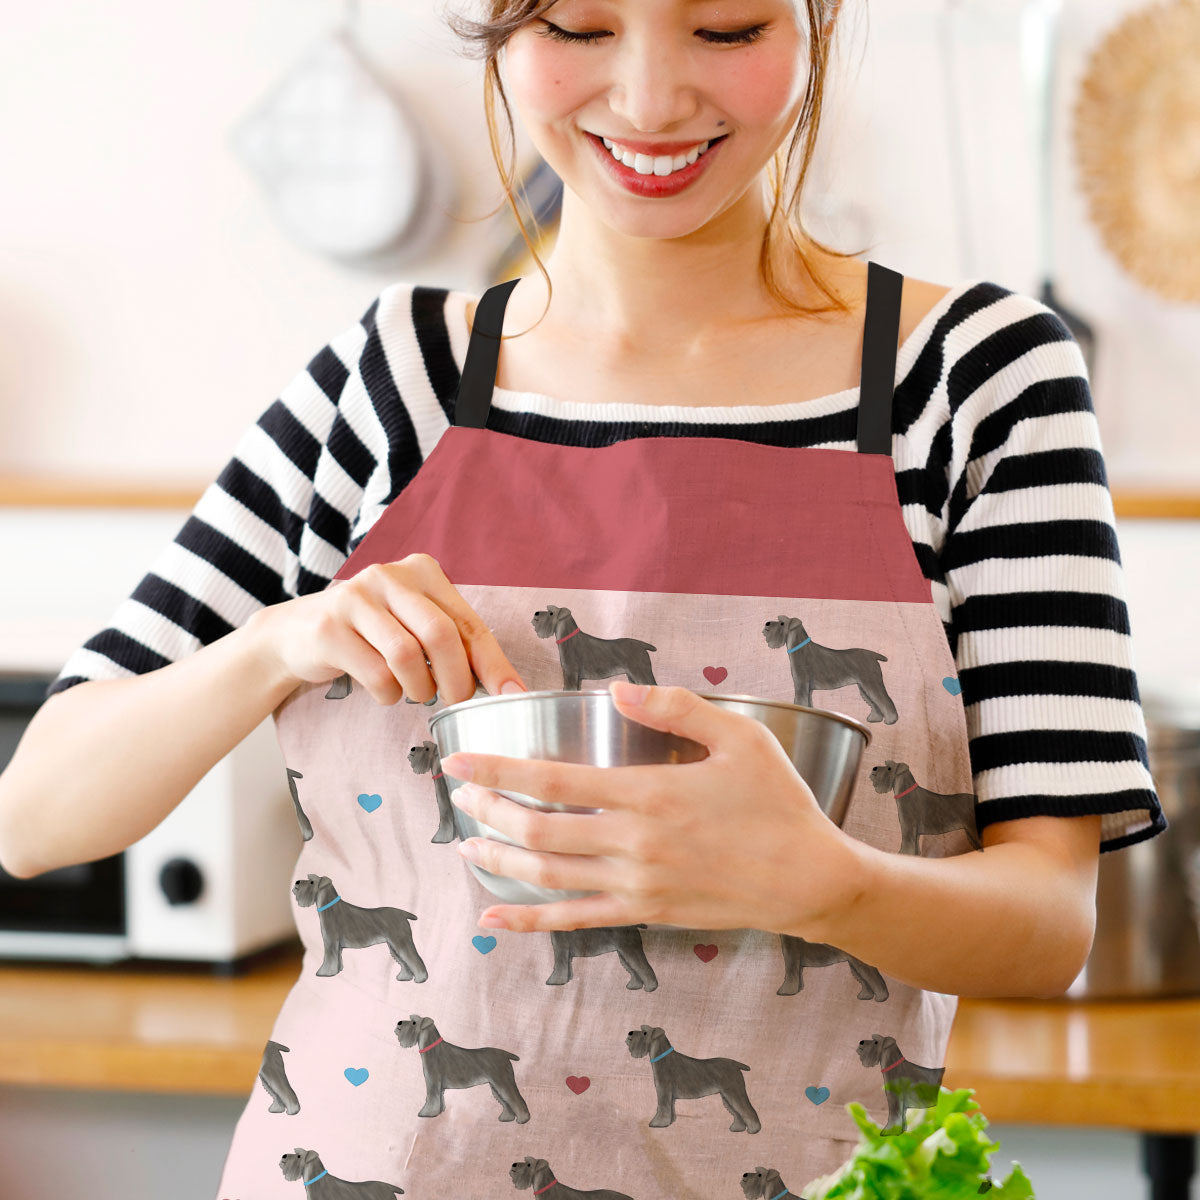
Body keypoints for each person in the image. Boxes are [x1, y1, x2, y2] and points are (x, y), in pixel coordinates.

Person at [0, 1, 1166, 1196]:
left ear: (816, 22)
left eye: (726, 28)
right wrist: (275, 642)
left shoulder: (975, 382)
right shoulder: (392, 381)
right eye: (578, 25)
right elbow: (35, 816)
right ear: (499, 32)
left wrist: (825, 883)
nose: (653, 100)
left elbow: (1047, 924)